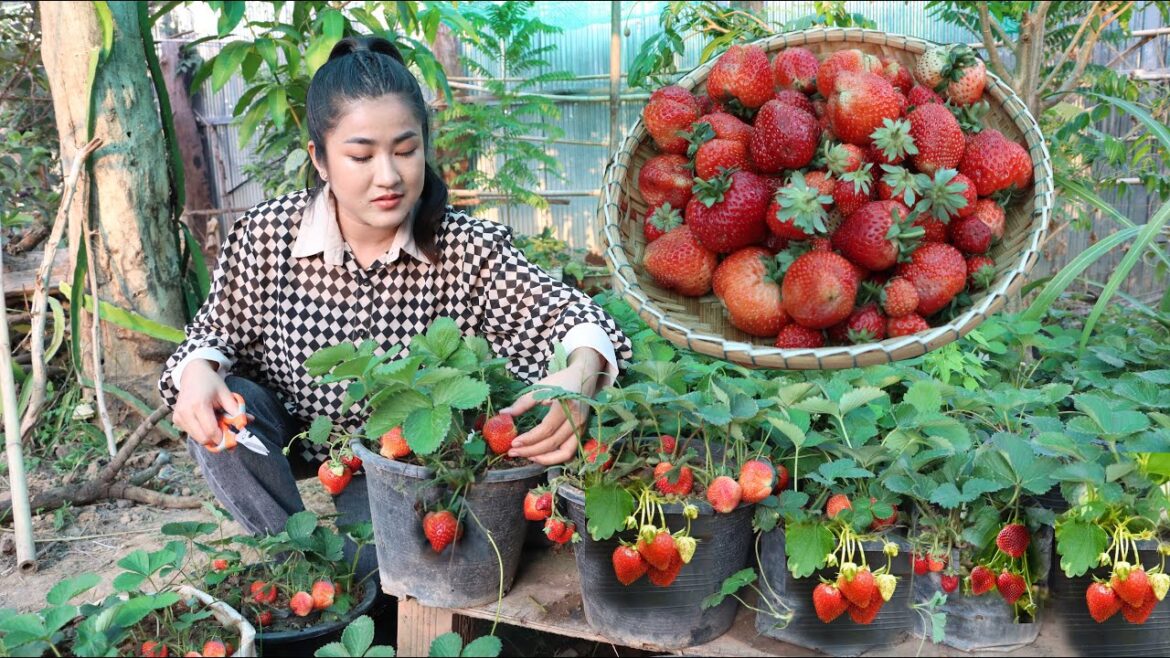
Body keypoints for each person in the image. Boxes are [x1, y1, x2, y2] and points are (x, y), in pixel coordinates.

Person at [158, 36, 632, 575]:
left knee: (383, 575)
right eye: (361, 155)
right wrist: (197, 373)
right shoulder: (268, 236)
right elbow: (215, 331)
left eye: (405, 151)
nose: (388, 176)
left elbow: (575, 317)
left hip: (408, 463)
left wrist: (581, 373)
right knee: (224, 409)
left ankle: (362, 582)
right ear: (319, 158)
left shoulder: (465, 248)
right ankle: (296, 560)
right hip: (304, 439)